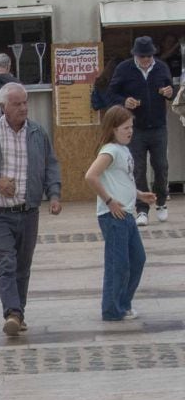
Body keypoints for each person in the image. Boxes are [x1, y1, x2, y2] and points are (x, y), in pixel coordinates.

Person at [0, 82, 62, 338]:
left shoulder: (38, 133)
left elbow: (51, 165)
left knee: (23, 266)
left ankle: (19, 313)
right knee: (6, 264)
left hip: (28, 211)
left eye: (25, 103)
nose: (23, 108)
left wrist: (54, 194)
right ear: (3, 106)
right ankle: (12, 313)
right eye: (17, 104)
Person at [86, 105, 152, 321]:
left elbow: (122, 180)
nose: (130, 131)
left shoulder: (124, 150)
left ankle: (123, 303)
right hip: (113, 216)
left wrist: (140, 195)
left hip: (128, 214)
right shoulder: (110, 150)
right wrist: (109, 201)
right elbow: (91, 176)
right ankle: (112, 309)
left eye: (131, 127)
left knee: (137, 259)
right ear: (113, 129)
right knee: (118, 264)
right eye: (125, 128)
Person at [109, 35, 175, 224]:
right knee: (138, 169)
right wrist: (124, 102)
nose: (145, 60)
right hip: (135, 128)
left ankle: (161, 202)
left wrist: (170, 92)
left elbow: (171, 89)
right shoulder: (124, 69)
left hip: (158, 126)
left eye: (148, 56)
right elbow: (111, 92)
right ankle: (142, 209)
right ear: (135, 55)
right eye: (142, 57)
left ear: (153, 54)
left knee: (161, 166)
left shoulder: (161, 67)